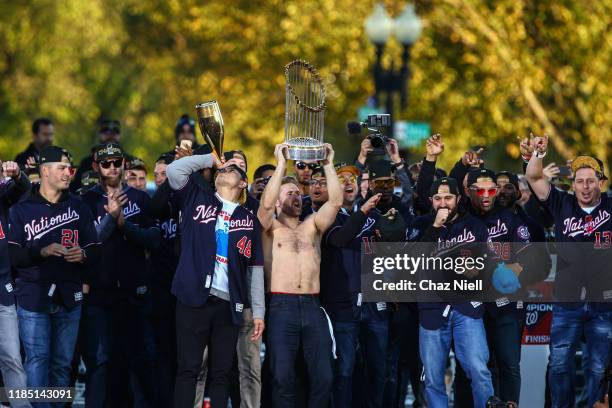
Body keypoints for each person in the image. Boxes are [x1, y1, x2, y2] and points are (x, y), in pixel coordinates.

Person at [166, 150, 265, 408]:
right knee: (188, 369)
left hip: (228, 303)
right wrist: (210, 160)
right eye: (223, 167)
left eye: (234, 169)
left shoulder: (249, 220)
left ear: (243, 183)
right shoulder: (196, 197)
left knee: (221, 373)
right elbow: (173, 171)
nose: (226, 169)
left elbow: (254, 269)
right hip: (192, 298)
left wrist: (259, 313)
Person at [7, 146, 100, 407]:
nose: (68, 172)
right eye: (61, 167)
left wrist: (83, 254)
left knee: (62, 364)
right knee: (37, 360)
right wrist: (41, 251)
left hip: (70, 296)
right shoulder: (22, 208)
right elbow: (13, 255)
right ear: (45, 170)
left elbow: (95, 248)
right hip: (34, 296)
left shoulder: (78, 206)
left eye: (69, 168)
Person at [525, 133, 612, 408]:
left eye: (590, 181)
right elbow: (535, 179)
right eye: (580, 181)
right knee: (560, 366)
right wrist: (538, 155)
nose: (585, 186)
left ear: (601, 182)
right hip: (567, 301)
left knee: (598, 369)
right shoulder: (562, 203)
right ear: (571, 184)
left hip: (604, 302)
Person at [257, 143, 342, 408]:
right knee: (282, 376)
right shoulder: (270, 228)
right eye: (289, 193)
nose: (296, 196)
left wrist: (328, 163)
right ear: (280, 200)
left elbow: (336, 201)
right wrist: (281, 165)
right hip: (282, 306)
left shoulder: (312, 225)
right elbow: (266, 204)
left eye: (297, 192)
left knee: (324, 376)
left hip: (312, 305)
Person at [80, 143, 160, 408]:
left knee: (141, 362)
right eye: (106, 163)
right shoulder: (86, 201)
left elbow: (154, 240)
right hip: (99, 295)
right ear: (96, 167)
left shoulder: (140, 198)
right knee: (101, 361)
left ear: (124, 164)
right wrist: (111, 219)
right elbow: (89, 243)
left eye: (117, 162)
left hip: (135, 292)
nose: (112, 168)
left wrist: (125, 225)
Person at [409, 176, 495, 408]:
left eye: (448, 197)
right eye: (438, 198)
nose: (443, 203)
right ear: (431, 200)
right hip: (432, 309)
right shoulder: (420, 225)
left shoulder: (475, 225)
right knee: (434, 379)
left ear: (458, 198)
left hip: (466, 308)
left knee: (479, 370)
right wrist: (436, 228)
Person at [320, 161, 393, 408]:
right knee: (344, 370)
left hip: (375, 302)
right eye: (341, 179)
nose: (348, 183)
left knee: (379, 370)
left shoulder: (376, 215)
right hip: (341, 305)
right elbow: (341, 238)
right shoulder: (325, 215)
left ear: (362, 185)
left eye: (353, 178)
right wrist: (363, 213)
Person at [0, 160, 31, 408]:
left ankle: (20, 405)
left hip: (2, 290)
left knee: (12, 357)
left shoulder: (3, 196)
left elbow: (22, 188)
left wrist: (18, 173)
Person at [71, 119, 122, 192]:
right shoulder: (87, 162)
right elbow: (76, 188)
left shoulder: (128, 161)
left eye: (114, 133)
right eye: (106, 133)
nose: (110, 136)